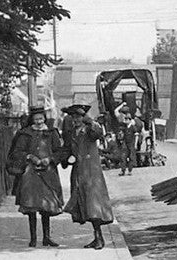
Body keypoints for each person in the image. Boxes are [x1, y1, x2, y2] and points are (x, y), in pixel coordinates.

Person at [7, 107, 64, 248]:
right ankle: (33, 238)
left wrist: (50, 159)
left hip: (48, 173)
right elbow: (17, 152)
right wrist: (30, 157)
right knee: (31, 205)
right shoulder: (25, 134)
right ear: (32, 120)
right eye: (36, 119)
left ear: (44, 118)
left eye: (41, 118)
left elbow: (59, 151)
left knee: (46, 206)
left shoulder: (52, 133)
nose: (39, 121)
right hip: (30, 173)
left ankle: (46, 237)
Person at [61, 104, 114, 249]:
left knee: (93, 204)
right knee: (84, 204)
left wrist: (90, 121)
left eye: (78, 117)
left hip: (91, 171)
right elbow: (67, 148)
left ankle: (99, 238)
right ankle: (97, 237)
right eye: (73, 117)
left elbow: (98, 133)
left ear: (83, 117)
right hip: (78, 171)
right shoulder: (72, 132)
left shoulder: (90, 129)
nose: (76, 120)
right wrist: (66, 158)